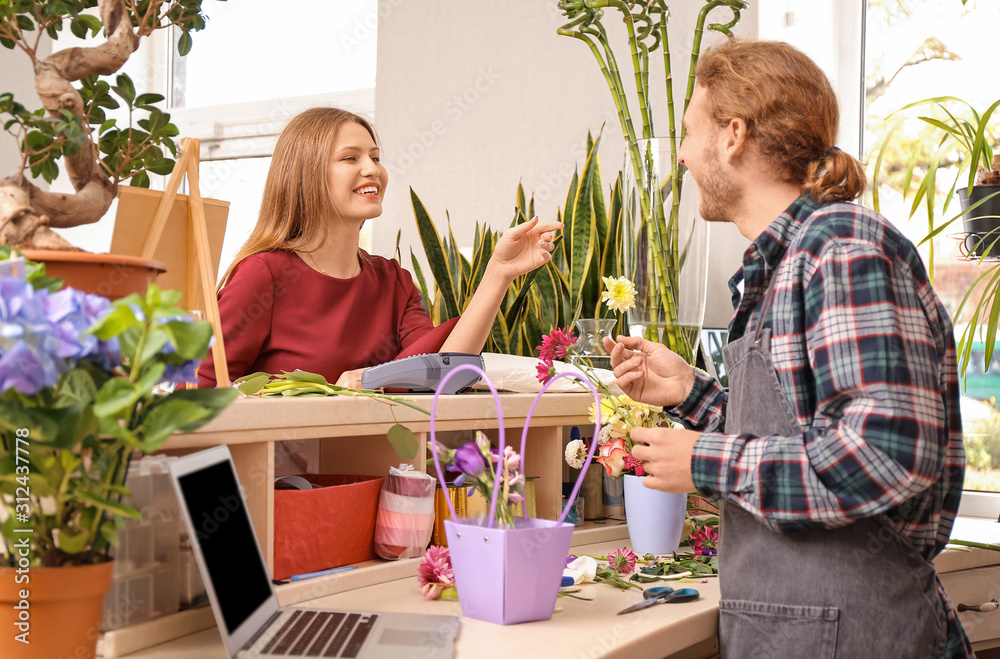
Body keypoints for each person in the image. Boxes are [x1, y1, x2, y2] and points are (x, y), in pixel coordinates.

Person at [603, 40, 970, 658]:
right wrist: (691, 394)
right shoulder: (783, 263)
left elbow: (884, 455)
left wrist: (706, 462)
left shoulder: (841, 251)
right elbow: (807, 435)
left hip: (855, 634)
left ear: (734, 135)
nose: (685, 156)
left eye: (691, 133)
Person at [198, 107, 561, 470]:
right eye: (350, 158)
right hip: (281, 488)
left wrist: (499, 273)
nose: (372, 169)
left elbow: (444, 371)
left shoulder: (392, 280)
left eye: (374, 157)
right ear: (306, 175)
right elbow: (206, 392)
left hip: (375, 481)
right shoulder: (264, 274)